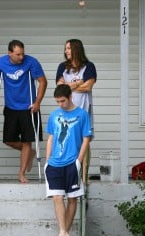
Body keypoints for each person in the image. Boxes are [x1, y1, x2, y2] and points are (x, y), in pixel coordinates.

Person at [0, 40, 47, 183]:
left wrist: (37, 102)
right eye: (18, 54)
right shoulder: (0, 63)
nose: (21, 57)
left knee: (27, 141)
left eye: (23, 53)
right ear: (10, 53)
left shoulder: (31, 62)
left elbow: (43, 81)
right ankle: (30, 153)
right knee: (9, 140)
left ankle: (21, 174)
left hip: (28, 107)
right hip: (11, 107)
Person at [45, 85, 92, 236]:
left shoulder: (82, 115)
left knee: (72, 198)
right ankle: (63, 232)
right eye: (57, 101)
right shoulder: (54, 115)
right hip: (54, 163)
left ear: (70, 97)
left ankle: (64, 232)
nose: (60, 104)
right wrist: (47, 160)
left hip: (72, 162)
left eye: (63, 101)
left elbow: (86, 138)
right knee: (57, 197)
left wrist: (79, 160)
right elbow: (51, 138)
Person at [55, 39, 97, 183]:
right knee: (67, 140)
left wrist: (70, 85)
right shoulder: (62, 67)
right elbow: (60, 89)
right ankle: (69, 173)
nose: (66, 51)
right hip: (66, 111)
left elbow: (88, 87)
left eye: (68, 48)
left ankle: (83, 176)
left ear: (76, 49)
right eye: (65, 48)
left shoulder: (89, 66)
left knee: (85, 140)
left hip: (84, 110)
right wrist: (78, 82)